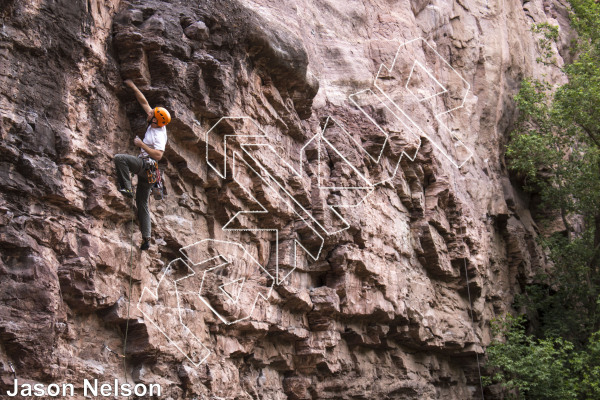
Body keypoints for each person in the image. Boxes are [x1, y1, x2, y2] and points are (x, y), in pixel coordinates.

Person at [114, 79, 171, 250]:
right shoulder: (155, 121)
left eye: (151, 114)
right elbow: (144, 102)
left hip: (147, 165)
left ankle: (126, 188)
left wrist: (142, 145)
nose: (148, 113)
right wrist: (132, 86)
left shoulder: (158, 135)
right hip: (151, 173)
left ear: (155, 120)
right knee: (143, 203)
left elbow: (159, 155)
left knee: (120, 159)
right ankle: (146, 238)